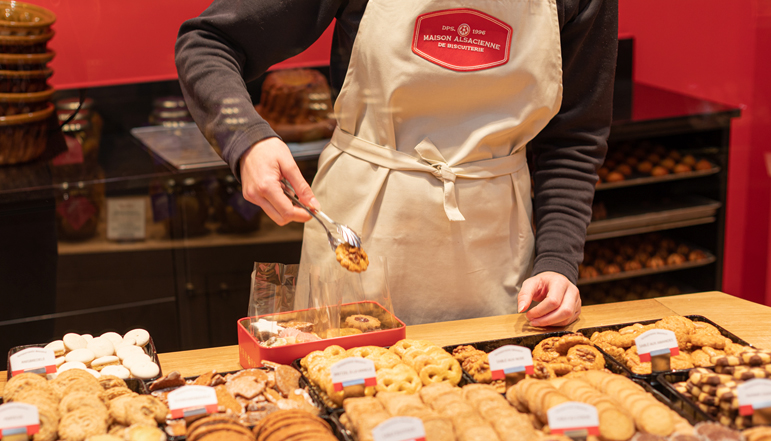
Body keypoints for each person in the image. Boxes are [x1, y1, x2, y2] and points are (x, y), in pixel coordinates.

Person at [175, 0, 617, 326]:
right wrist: (247, 140)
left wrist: (558, 261)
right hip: (361, 232)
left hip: (496, 248)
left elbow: (573, 138)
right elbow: (209, 42)